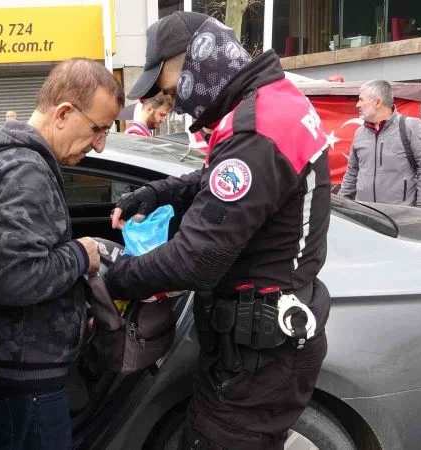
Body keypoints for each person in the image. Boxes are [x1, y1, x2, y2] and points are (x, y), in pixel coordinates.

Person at [105, 12, 332, 450]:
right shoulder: (267, 105)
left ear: (196, 57)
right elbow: (215, 182)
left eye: (166, 81)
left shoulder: (256, 129)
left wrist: (114, 277)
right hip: (255, 351)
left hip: (258, 359)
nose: (168, 96)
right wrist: (157, 194)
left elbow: (198, 259)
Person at [0, 58, 124, 450]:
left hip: (12, 365)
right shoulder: (25, 171)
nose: (100, 144)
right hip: (22, 380)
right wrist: (81, 255)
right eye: (98, 129)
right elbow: (14, 277)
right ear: (64, 113)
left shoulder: (14, 159)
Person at [338, 79, 421, 206]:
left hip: (400, 216)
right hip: (365, 215)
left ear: (378, 102)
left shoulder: (411, 127)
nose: (358, 104)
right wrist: (342, 202)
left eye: (361, 99)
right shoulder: (360, 133)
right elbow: (352, 172)